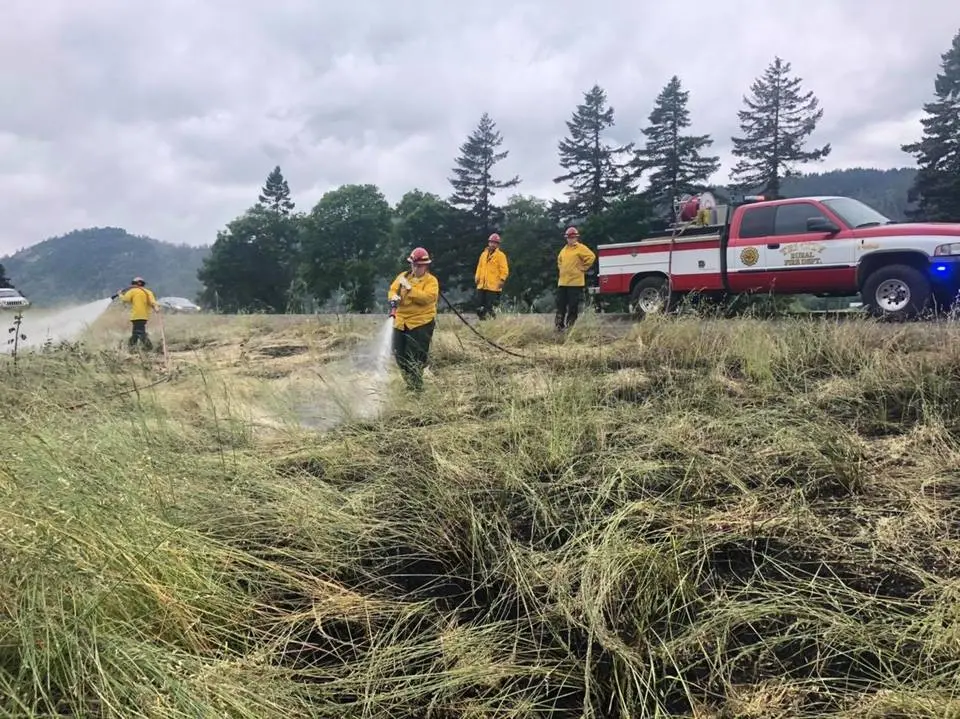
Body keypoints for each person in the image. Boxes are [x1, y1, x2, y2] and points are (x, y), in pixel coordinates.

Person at [387, 247, 439, 392]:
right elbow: (392, 289)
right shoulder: (403, 276)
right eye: (413, 265)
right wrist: (393, 297)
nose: (416, 268)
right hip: (400, 322)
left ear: (426, 266)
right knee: (399, 354)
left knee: (415, 357)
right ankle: (410, 384)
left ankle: (416, 388)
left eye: (419, 266)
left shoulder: (431, 281)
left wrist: (410, 289)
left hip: (420, 323)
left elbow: (427, 298)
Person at [555, 226, 596, 331]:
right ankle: (559, 325)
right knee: (560, 305)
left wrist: (584, 267)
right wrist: (562, 269)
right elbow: (559, 261)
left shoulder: (581, 248)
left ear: (576, 238)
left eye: (573, 237)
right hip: (563, 282)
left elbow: (591, 256)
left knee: (573, 305)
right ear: (566, 238)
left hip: (575, 282)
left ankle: (570, 326)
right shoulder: (564, 250)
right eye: (569, 237)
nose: (571, 239)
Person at [111, 276, 160, 349]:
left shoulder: (133, 291)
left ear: (138, 283)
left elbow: (125, 299)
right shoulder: (148, 292)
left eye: (133, 283)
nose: (132, 285)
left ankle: (149, 347)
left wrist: (119, 294)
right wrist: (156, 307)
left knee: (139, 333)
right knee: (136, 333)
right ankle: (131, 347)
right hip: (145, 316)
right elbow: (153, 302)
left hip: (136, 316)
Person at [474, 232, 509, 320]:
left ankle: (492, 323)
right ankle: (482, 322)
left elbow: (504, 269)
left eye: (495, 243)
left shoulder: (501, 256)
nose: (493, 244)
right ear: (488, 243)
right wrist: (477, 277)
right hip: (482, 285)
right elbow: (479, 267)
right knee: (479, 307)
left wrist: (502, 280)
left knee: (490, 307)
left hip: (493, 287)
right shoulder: (483, 254)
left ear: (498, 245)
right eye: (491, 242)